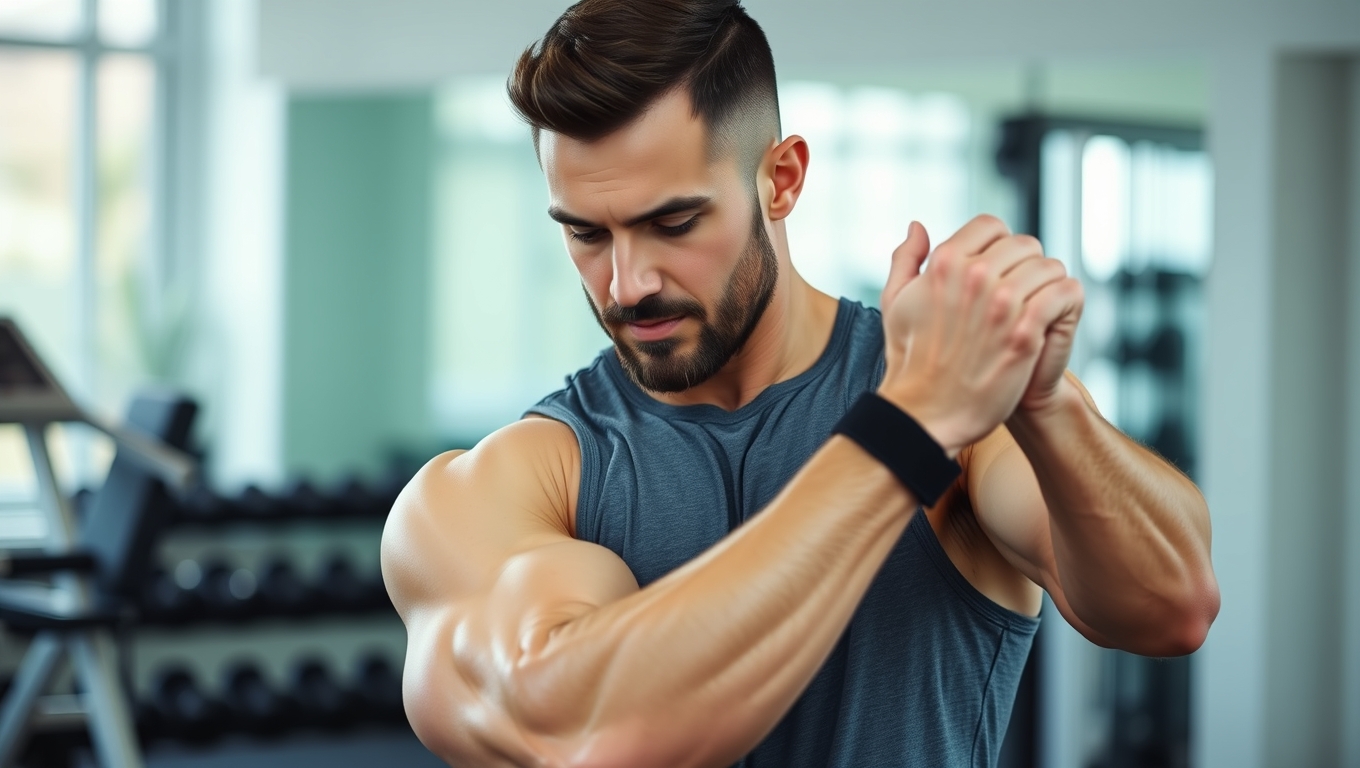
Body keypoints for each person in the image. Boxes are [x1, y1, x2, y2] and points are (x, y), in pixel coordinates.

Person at [380, 1, 1220, 766]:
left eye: (673, 223)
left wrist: (1043, 402)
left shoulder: (958, 410)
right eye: (587, 234)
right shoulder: (522, 479)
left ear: (780, 180)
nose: (626, 282)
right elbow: (579, 730)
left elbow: (1170, 609)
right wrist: (908, 429)